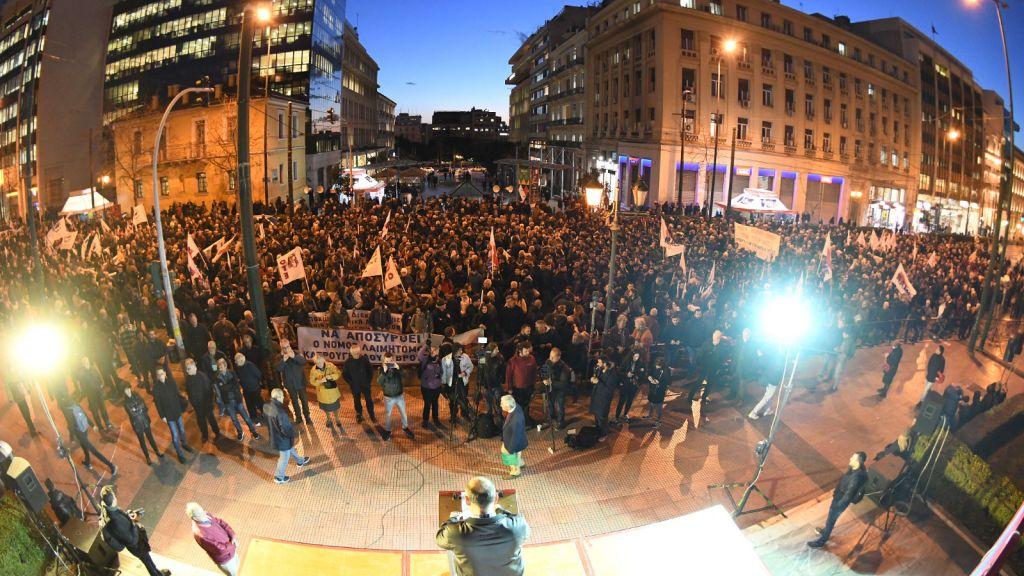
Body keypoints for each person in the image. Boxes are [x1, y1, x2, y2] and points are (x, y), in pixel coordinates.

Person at [436, 476, 530, 576]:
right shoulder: (517, 526)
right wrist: (500, 510)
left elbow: (440, 539)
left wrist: (455, 518)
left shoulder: (455, 534)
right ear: (496, 498)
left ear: (467, 500)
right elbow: (523, 530)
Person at [99, 486, 169, 576]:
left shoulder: (108, 509)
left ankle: (157, 572)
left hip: (134, 544)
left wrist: (130, 515)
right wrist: (136, 524)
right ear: (112, 501)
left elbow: (124, 523)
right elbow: (131, 540)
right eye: (114, 497)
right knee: (147, 560)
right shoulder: (116, 520)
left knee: (147, 559)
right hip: (136, 545)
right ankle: (157, 574)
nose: (116, 498)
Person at [807, 452, 868, 548]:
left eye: (853, 458)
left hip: (841, 500)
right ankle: (826, 531)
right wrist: (836, 492)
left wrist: (839, 504)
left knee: (832, 518)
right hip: (839, 496)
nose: (850, 459)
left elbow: (849, 493)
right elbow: (843, 480)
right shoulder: (853, 469)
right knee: (831, 518)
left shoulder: (857, 476)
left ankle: (822, 541)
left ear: (859, 460)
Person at [265, 388, 309, 484]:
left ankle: (300, 461)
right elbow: (285, 428)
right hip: (282, 438)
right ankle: (279, 477)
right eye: (282, 396)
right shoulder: (280, 412)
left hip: (275, 436)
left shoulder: (268, 406)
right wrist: (293, 434)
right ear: (278, 397)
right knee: (284, 457)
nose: (283, 398)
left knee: (291, 449)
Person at [63, 398, 117, 476]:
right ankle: (87, 462)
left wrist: (71, 438)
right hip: (84, 429)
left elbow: (71, 426)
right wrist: (92, 425)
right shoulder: (77, 405)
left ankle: (111, 465)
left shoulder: (68, 411)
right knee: (84, 446)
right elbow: (85, 415)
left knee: (93, 451)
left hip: (79, 433)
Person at [152, 368, 194, 463]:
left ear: (165, 373)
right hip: (169, 416)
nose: (160, 376)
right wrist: (162, 416)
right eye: (158, 374)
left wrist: (184, 403)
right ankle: (180, 454)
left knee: (182, 430)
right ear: (157, 376)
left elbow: (177, 394)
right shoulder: (156, 388)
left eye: (162, 373)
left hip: (177, 411)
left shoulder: (171, 382)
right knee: (175, 435)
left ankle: (184, 444)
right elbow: (158, 404)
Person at [186, 502, 240, 576]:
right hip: (225, 559)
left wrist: (232, 535)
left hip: (231, 549)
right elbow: (219, 549)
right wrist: (233, 545)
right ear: (195, 518)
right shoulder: (201, 534)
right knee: (233, 574)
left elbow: (221, 522)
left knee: (237, 565)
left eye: (203, 511)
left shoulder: (205, 515)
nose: (205, 514)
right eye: (201, 514)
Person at [215, 358, 261, 441]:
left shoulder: (232, 373)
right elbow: (221, 389)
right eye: (219, 367)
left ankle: (253, 431)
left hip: (237, 399)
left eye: (221, 367)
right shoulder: (218, 377)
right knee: (234, 419)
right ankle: (240, 432)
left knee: (246, 417)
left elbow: (236, 385)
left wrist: (226, 386)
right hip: (228, 402)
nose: (220, 369)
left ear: (225, 365)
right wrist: (229, 385)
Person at [184, 359, 222, 443]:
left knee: (211, 419)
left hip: (206, 404)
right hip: (197, 406)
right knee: (201, 421)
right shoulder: (188, 379)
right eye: (186, 368)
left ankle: (217, 433)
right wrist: (192, 402)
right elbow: (188, 391)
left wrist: (209, 404)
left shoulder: (202, 377)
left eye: (189, 368)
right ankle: (205, 435)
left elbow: (209, 392)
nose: (187, 371)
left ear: (194, 367)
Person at [123, 385, 162, 465]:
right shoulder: (125, 402)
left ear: (130, 388)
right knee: (142, 441)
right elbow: (132, 413)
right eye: (125, 390)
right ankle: (147, 457)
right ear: (124, 392)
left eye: (128, 389)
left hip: (144, 420)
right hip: (137, 424)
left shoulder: (136, 395)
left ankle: (157, 451)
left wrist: (136, 408)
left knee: (150, 437)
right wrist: (139, 407)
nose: (127, 391)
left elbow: (144, 407)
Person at [379, 353, 413, 440]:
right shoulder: (382, 369)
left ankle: (405, 427)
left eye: (391, 361)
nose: (389, 362)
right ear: (383, 361)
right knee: (388, 415)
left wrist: (399, 368)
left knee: (403, 413)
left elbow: (406, 376)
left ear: (393, 360)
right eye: (387, 361)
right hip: (388, 397)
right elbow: (379, 382)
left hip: (399, 396)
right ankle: (388, 430)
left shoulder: (397, 368)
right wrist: (384, 372)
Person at [342, 344, 376, 424]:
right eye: (355, 354)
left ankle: (372, 414)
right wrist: (351, 383)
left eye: (358, 353)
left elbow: (370, 371)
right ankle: (359, 414)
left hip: (365, 386)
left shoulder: (364, 360)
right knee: (357, 401)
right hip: (355, 386)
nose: (357, 355)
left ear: (360, 352)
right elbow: (345, 375)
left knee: (369, 400)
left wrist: (368, 381)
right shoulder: (348, 362)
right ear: (351, 353)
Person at [277, 343, 311, 424]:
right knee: (294, 401)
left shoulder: (296, 353)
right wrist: (283, 361)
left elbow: (304, 361)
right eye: (284, 348)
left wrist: (294, 357)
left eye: (287, 346)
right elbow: (278, 368)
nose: (286, 349)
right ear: (281, 348)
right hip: (290, 385)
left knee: (304, 401)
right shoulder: (279, 357)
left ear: (290, 346)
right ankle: (298, 417)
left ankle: (307, 417)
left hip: (300, 383)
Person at [75, 356, 112, 430]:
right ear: (82, 364)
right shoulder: (81, 374)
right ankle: (100, 426)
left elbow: (98, 376)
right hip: (91, 395)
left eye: (87, 361)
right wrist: (86, 392)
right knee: (95, 412)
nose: (86, 363)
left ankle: (107, 423)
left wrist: (101, 384)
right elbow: (80, 385)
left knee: (103, 408)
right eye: (84, 362)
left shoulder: (93, 368)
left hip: (98, 391)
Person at [505, 344, 538, 424]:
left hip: (529, 386)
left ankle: (526, 419)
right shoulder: (513, 361)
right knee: (518, 405)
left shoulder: (531, 359)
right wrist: (509, 388)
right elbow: (508, 375)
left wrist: (534, 383)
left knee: (527, 404)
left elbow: (534, 371)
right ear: (520, 351)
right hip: (518, 388)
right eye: (525, 351)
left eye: (528, 351)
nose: (528, 353)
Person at [309, 355, 342, 431]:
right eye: (317, 363)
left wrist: (331, 376)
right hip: (322, 393)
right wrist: (319, 381)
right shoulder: (313, 370)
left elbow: (338, 373)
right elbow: (312, 381)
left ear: (324, 360)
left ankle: (337, 419)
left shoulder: (330, 365)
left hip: (332, 392)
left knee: (335, 407)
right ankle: (329, 419)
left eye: (321, 362)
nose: (320, 364)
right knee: (326, 408)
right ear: (315, 363)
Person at [539, 347, 570, 429]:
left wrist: (551, 382)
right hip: (551, 388)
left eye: (553, 357)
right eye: (550, 356)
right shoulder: (548, 362)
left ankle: (560, 421)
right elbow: (543, 371)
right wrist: (544, 379)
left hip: (560, 390)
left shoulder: (564, 368)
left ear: (558, 357)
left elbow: (564, 384)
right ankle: (550, 419)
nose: (550, 358)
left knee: (560, 405)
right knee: (550, 404)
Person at [442, 344, 473, 424]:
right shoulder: (446, 359)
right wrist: (444, 386)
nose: (461, 351)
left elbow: (471, 366)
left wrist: (466, 373)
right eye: (460, 350)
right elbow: (444, 374)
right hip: (451, 384)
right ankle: (453, 416)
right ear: (455, 351)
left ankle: (465, 414)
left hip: (462, 383)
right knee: (452, 401)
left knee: (464, 399)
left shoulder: (465, 357)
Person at [589, 355, 617, 441]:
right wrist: (593, 380)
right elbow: (598, 381)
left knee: (602, 417)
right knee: (597, 415)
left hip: (604, 399)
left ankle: (604, 434)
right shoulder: (600, 370)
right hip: (597, 396)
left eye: (599, 362)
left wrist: (598, 382)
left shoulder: (612, 375)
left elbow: (609, 390)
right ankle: (598, 429)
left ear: (605, 363)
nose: (598, 363)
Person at [615, 348, 646, 423]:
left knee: (630, 400)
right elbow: (619, 372)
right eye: (635, 356)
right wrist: (626, 374)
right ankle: (617, 416)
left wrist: (638, 378)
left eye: (638, 357)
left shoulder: (640, 363)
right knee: (622, 400)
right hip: (625, 384)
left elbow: (643, 374)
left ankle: (625, 414)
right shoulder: (626, 361)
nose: (636, 358)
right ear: (631, 356)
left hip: (633, 385)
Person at [500, 395, 527, 477]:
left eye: (502, 404)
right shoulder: (516, 407)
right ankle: (520, 463)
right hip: (520, 440)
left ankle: (515, 471)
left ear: (508, 406)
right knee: (518, 453)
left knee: (505, 452)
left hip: (514, 442)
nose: (500, 405)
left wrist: (510, 450)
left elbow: (515, 436)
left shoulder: (516, 419)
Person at [418, 344, 444, 428]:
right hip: (426, 387)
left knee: (435, 403)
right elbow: (419, 355)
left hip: (436, 387)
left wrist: (440, 380)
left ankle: (436, 419)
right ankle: (425, 420)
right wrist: (426, 345)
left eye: (436, 349)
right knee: (427, 404)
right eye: (432, 349)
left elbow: (442, 372)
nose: (434, 351)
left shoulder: (439, 361)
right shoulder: (425, 359)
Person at [234, 353, 264, 423]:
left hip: (255, 388)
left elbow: (258, 374)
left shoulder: (250, 365)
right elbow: (239, 377)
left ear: (240, 360)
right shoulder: (238, 367)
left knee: (258, 401)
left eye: (236, 361)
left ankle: (264, 413)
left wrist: (258, 382)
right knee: (249, 403)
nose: (235, 362)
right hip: (246, 389)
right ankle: (254, 417)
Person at [644, 356, 670, 426]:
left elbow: (667, 382)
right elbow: (650, 374)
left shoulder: (666, 370)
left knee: (659, 406)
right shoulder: (654, 367)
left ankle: (659, 420)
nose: (657, 367)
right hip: (652, 389)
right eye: (656, 365)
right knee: (651, 403)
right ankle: (650, 415)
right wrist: (649, 377)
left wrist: (658, 382)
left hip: (660, 391)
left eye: (658, 366)